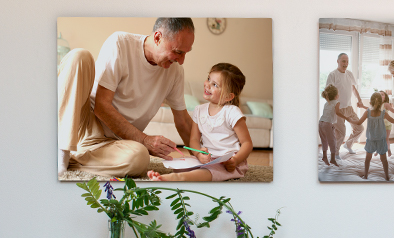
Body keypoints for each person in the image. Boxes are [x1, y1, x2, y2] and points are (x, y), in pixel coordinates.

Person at [58, 18, 195, 177]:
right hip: (84, 127)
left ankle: (74, 161)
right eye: (178, 51)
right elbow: (101, 107)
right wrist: (145, 139)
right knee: (79, 56)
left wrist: (205, 153)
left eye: (185, 53)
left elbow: (184, 121)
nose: (181, 60)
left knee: (140, 159)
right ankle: (62, 150)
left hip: (116, 144)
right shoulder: (120, 43)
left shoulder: (175, 72)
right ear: (157, 38)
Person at [148, 63, 252, 181]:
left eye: (215, 85)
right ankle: (180, 175)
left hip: (227, 162)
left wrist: (236, 160)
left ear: (228, 96)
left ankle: (175, 178)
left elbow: (247, 143)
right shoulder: (199, 110)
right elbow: (194, 140)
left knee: (207, 172)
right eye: (208, 79)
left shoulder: (232, 112)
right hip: (208, 160)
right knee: (181, 165)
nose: (207, 85)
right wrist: (198, 154)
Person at [351, 92, 394, 181]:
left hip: (370, 140)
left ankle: (365, 175)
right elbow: (393, 121)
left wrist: (349, 119)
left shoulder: (368, 112)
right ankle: (387, 176)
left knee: (367, 159)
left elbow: (358, 123)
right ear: (380, 103)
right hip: (381, 140)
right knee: (384, 160)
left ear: (370, 102)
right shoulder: (383, 113)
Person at [325, 53, 366, 159]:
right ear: (337, 61)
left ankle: (348, 145)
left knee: (359, 127)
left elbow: (353, 88)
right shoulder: (332, 75)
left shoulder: (349, 73)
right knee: (341, 134)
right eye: (343, 61)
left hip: (349, 107)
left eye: (347, 61)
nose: (346, 63)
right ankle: (336, 153)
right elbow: (328, 93)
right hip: (337, 109)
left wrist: (360, 100)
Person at [319, 84, 354, 167]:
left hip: (320, 123)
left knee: (324, 141)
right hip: (327, 124)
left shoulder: (326, 103)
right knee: (333, 142)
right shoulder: (337, 102)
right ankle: (332, 159)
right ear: (336, 95)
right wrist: (347, 118)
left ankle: (324, 157)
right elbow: (338, 113)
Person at [373, 90, 394, 157]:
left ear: (385, 97)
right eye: (379, 94)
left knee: (386, 139)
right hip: (379, 125)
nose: (380, 95)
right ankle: (378, 150)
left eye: (382, 94)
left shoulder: (386, 104)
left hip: (386, 125)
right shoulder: (376, 105)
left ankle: (388, 150)